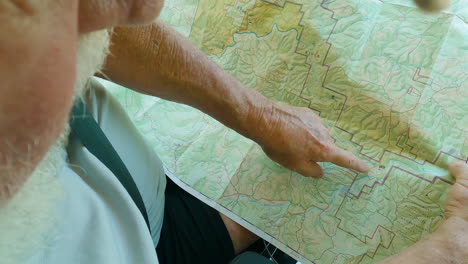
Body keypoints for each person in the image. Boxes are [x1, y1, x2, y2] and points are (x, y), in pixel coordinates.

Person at [0, 0, 465, 263]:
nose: (146, 10)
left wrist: (257, 115)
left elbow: (104, 23)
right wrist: (447, 250)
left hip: (148, 215)